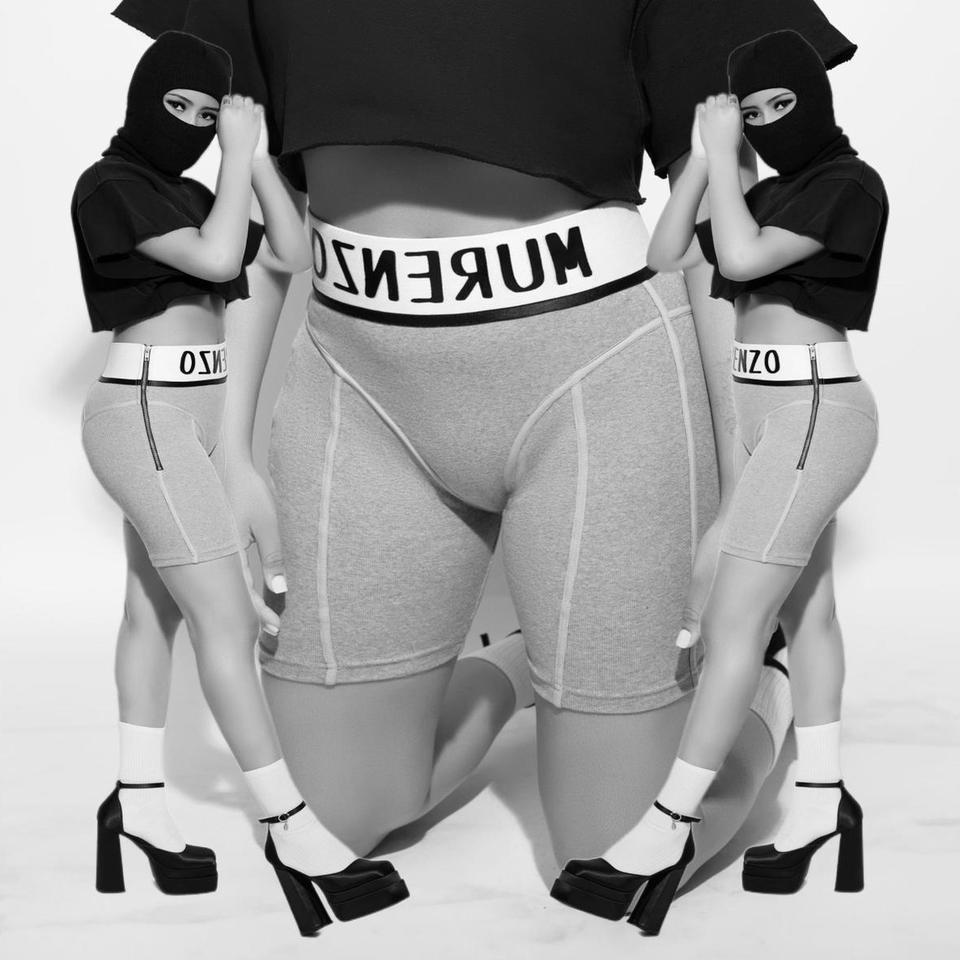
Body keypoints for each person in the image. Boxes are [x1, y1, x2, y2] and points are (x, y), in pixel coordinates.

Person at [110, 0, 856, 909]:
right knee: (328, 818)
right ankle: (519, 670)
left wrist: (745, 494)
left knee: (616, 854)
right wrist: (227, 450)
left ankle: (768, 675)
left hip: (598, 375)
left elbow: (716, 215)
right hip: (359, 379)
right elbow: (254, 200)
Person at [551, 29, 886, 933]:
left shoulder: (849, 185)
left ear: (815, 99)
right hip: (769, 418)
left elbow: (737, 263)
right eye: (755, 111)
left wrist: (727, 157)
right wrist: (703, 162)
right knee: (807, 612)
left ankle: (665, 829)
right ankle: (822, 803)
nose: (769, 123)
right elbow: (667, 255)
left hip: (815, 411)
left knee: (735, 621)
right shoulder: (759, 193)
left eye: (783, 105)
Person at [73, 30, 408, 932]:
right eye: (176, 106)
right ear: (144, 100)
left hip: (188, 422)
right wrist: (231, 155)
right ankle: (291, 830)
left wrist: (252, 156)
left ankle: (136, 807)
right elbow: (222, 263)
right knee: (225, 619)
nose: (190, 124)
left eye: (204, 111)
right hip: (143, 414)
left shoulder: (196, 193)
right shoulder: (109, 185)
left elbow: (290, 253)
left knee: (153, 612)